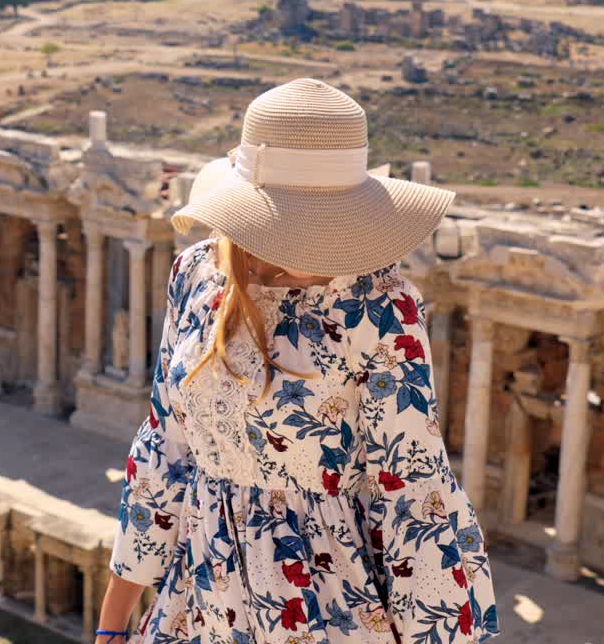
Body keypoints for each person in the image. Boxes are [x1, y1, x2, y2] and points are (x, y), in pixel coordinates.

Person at [95, 79, 499, 644]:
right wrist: (113, 625)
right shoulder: (196, 276)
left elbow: (412, 491)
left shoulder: (382, 309)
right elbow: (163, 452)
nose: (330, 249)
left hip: (325, 608)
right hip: (200, 598)